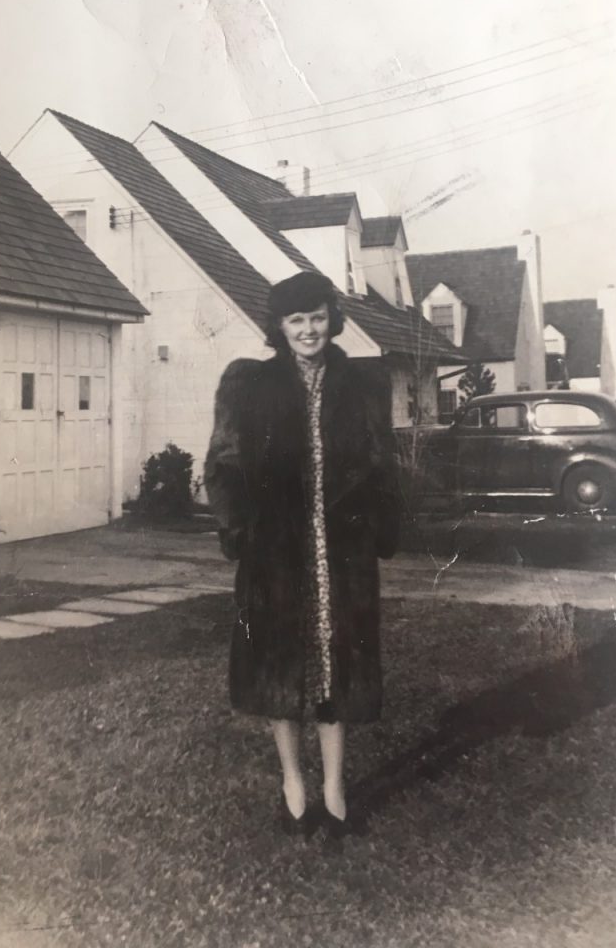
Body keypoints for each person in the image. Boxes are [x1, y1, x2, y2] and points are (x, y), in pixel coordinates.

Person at [204, 272, 401, 839]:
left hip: (341, 550)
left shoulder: (363, 383)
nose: (309, 330)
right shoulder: (248, 385)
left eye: (316, 317)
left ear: (331, 319)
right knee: (278, 667)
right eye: (296, 320)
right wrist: (239, 530)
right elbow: (221, 464)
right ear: (280, 327)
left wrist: (381, 526)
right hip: (276, 550)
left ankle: (334, 790)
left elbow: (384, 463)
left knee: (335, 669)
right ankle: (293, 782)